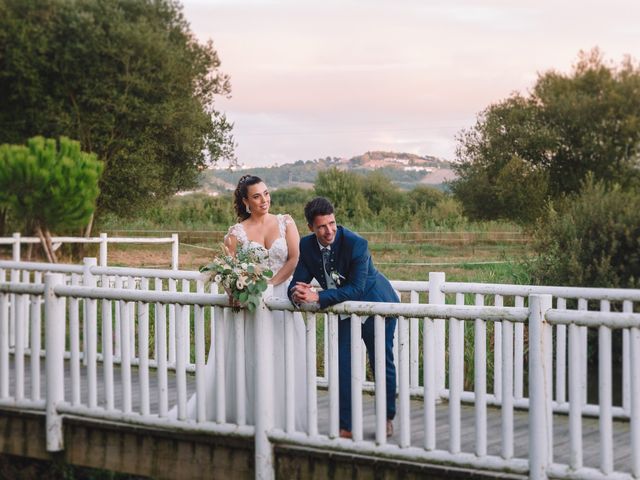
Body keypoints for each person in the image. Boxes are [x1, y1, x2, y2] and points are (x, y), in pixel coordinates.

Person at [178, 175, 308, 431]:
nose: (264, 200)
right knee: (251, 357)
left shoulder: (286, 222)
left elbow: (294, 259)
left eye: (267, 193)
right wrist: (236, 289)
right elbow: (230, 271)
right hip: (252, 304)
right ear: (246, 201)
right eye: (257, 196)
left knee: (282, 356)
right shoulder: (236, 233)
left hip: (281, 298)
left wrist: (271, 285)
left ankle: (281, 421)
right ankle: (250, 417)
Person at [288, 197, 397, 439]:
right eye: (322, 227)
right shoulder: (306, 246)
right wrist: (297, 294)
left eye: (332, 223)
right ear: (311, 228)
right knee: (343, 365)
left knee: (380, 361)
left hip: (376, 304)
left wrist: (317, 297)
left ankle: (387, 417)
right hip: (343, 309)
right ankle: (346, 426)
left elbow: (357, 289)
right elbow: (297, 282)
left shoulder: (356, 244)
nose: (329, 231)